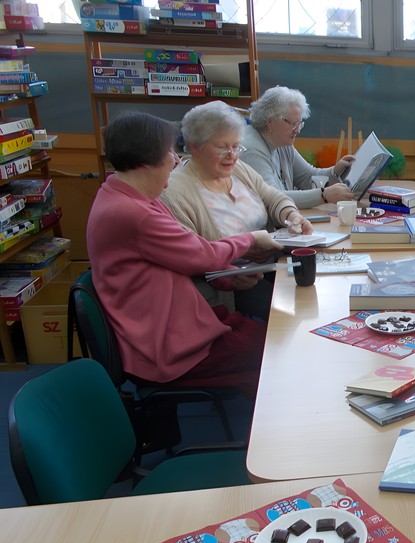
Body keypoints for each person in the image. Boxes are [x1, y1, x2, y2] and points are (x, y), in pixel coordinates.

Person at [86, 111, 283, 398]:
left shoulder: (124, 196)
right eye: (169, 152)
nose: (175, 160)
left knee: (279, 342)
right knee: (279, 357)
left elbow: (182, 256)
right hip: (170, 349)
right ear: (147, 160)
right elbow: (202, 254)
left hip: (182, 327)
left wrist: (227, 277)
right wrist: (251, 239)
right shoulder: (133, 212)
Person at [160, 100, 307, 318]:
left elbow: (271, 195)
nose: (232, 155)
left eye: (236, 146)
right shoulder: (174, 192)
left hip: (272, 266)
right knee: (297, 313)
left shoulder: (237, 169)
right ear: (195, 147)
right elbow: (193, 255)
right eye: (222, 147)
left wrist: (291, 214)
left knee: (313, 296)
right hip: (232, 287)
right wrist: (244, 251)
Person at [241, 85, 356, 209]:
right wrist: (323, 195)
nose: (297, 130)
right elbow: (273, 198)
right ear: (270, 121)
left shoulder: (280, 140)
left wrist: (335, 172)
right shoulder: (252, 151)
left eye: (299, 124)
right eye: (292, 124)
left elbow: (307, 177)